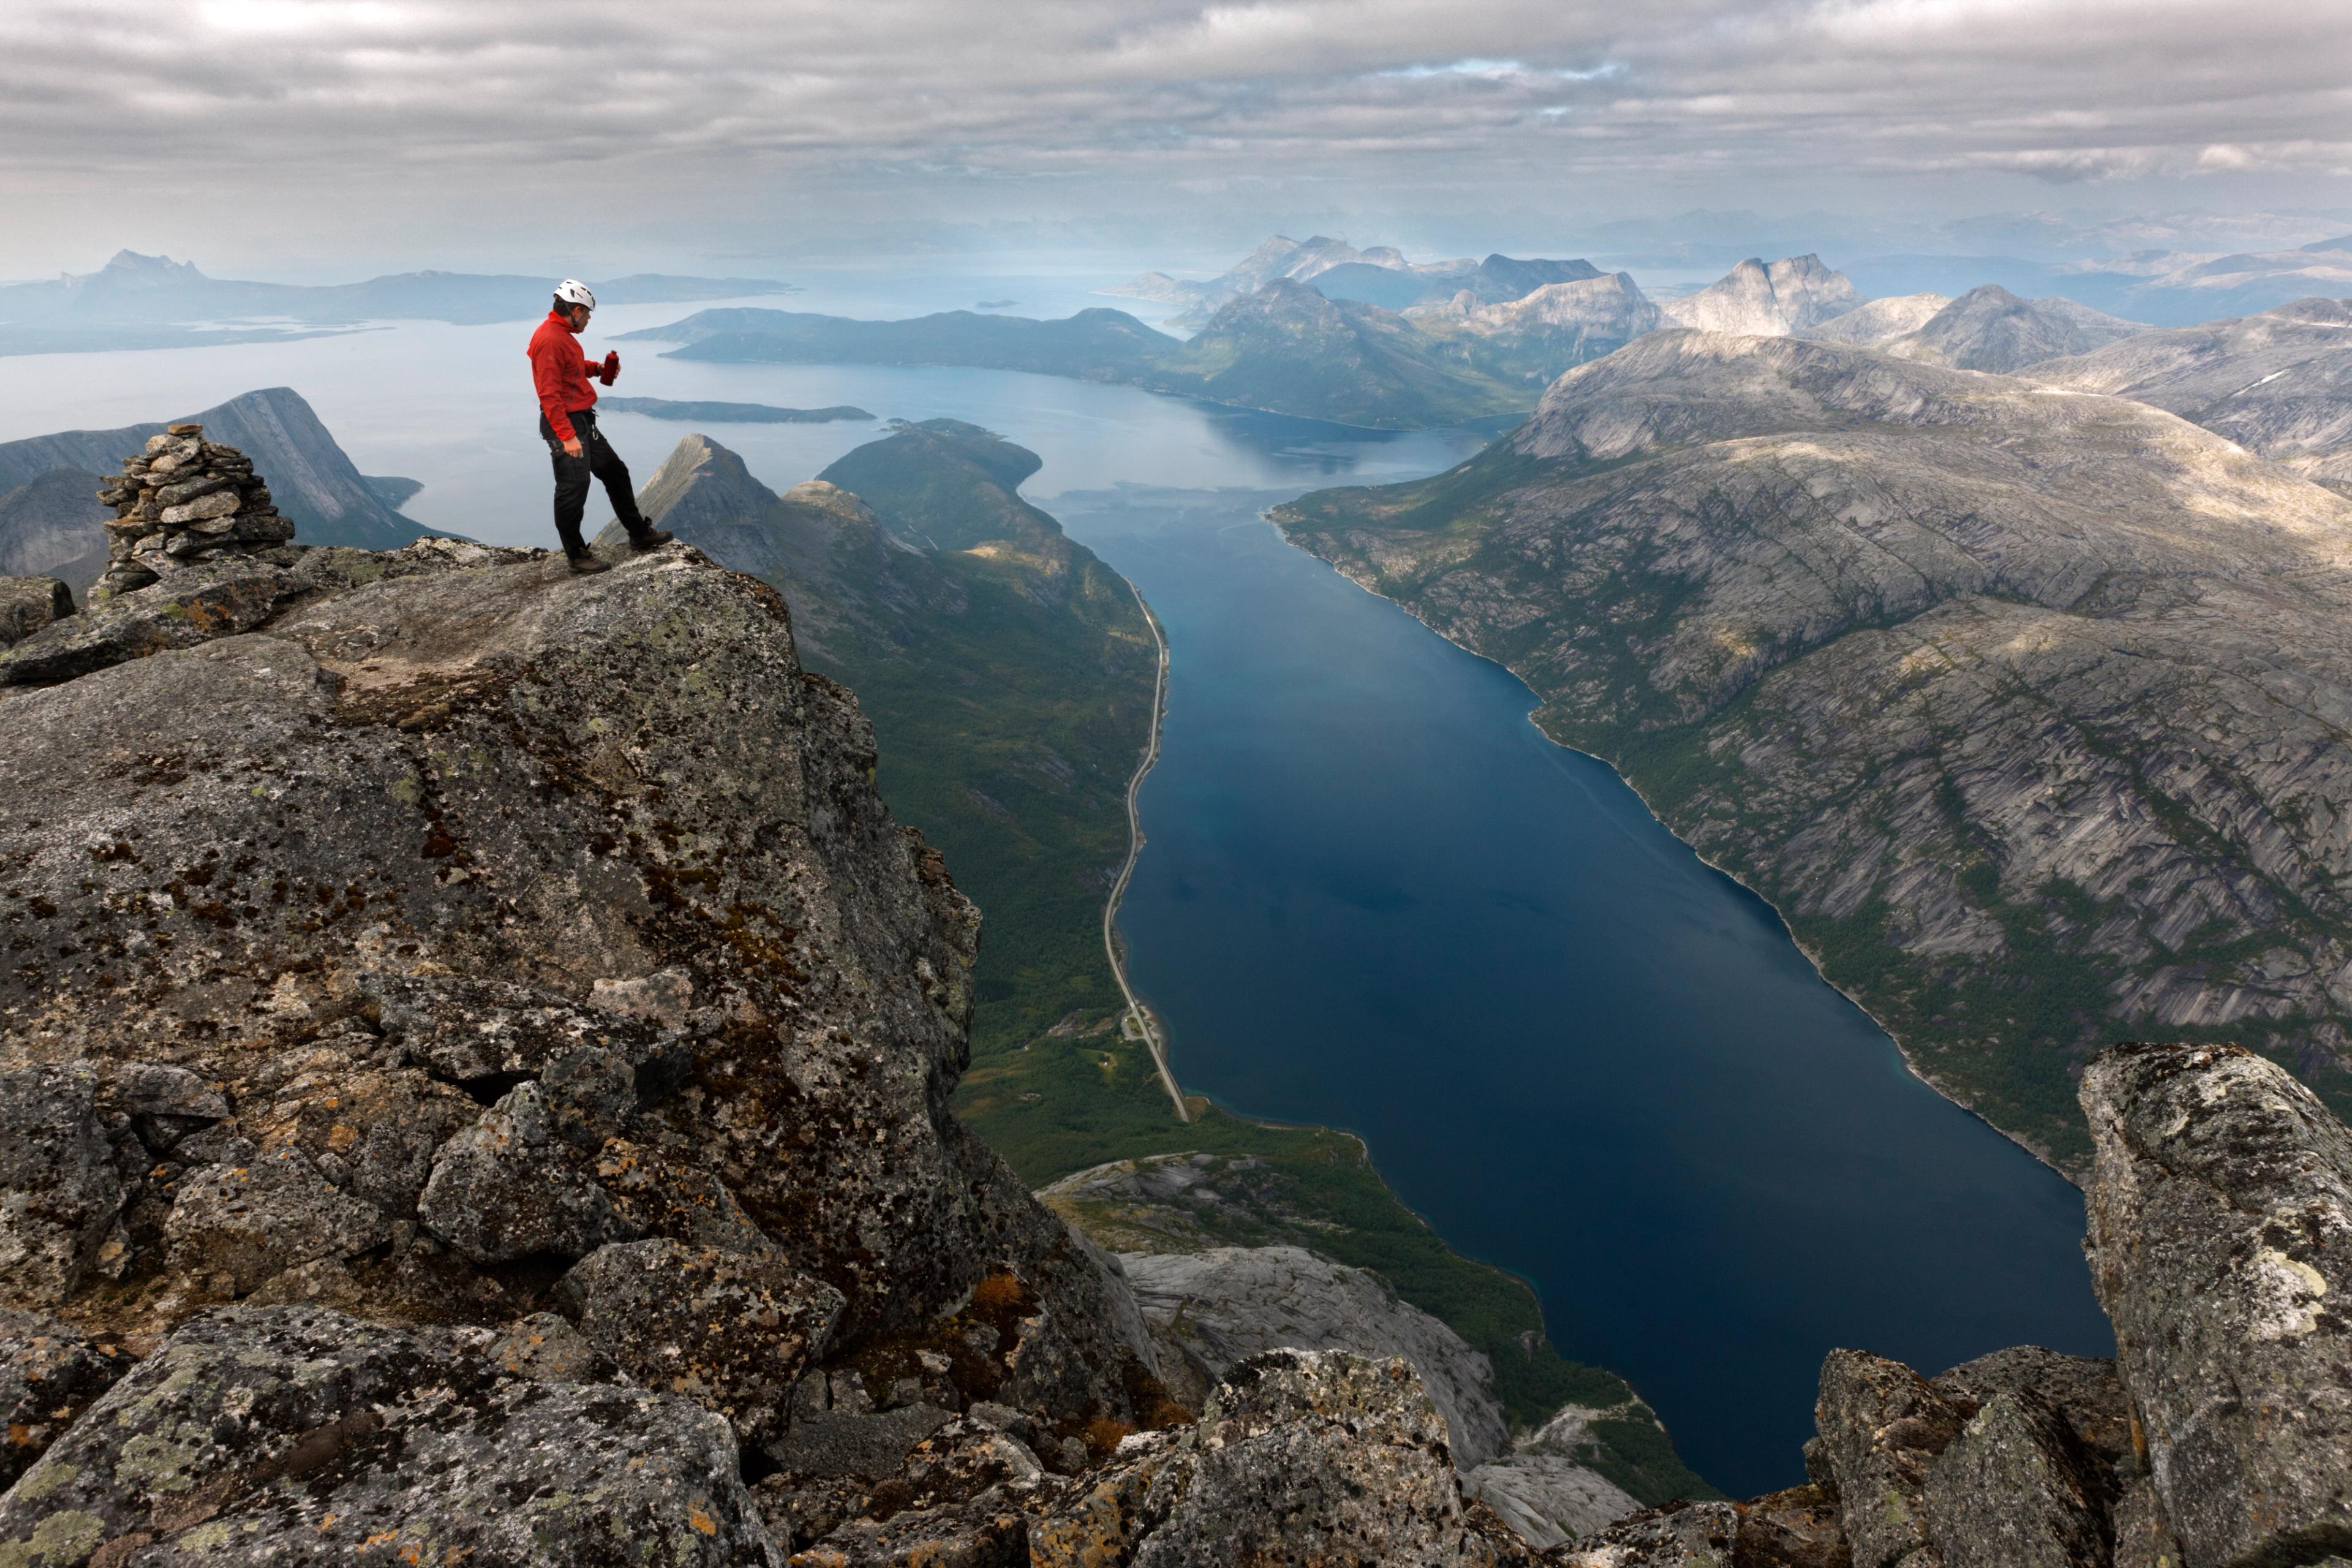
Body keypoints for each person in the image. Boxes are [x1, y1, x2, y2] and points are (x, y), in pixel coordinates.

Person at [528, 279, 671, 572]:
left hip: (581, 421)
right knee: (573, 488)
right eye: (588, 313)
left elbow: (570, 370)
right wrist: (567, 436)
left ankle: (639, 535)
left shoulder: (562, 335)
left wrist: (597, 369)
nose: (590, 319)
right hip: (566, 425)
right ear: (577, 310)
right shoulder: (551, 340)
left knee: (615, 472)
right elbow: (548, 393)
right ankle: (577, 556)